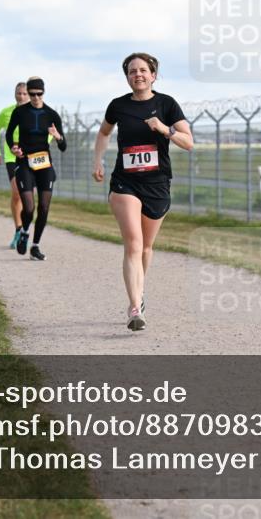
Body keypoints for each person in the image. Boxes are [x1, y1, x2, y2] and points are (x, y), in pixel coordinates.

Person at [92, 53, 193, 331]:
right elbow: (104, 133)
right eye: (132, 71)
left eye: (143, 70)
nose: (137, 74)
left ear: (153, 75)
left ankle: (139, 290)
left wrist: (164, 129)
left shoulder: (166, 104)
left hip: (157, 184)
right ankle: (135, 307)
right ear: (127, 77)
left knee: (146, 247)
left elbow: (188, 142)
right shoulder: (118, 105)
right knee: (134, 244)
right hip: (125, 182)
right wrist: (98, 160)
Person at [5, 77, 65, 261]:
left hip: (44, 164)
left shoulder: (52, 114)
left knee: (44, 207)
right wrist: (13, 148)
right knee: (29, 208)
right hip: (24, 163)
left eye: (39, 94)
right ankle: (24, 232)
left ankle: (35, 246)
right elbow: (9, 134)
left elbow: (63, 146)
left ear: (43, 93)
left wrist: (58, 137)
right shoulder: (20, 112)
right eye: (32, 94)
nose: (36, 97)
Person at [0, 83, 31, 248]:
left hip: (31, 157)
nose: (21, 96)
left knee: (28, 197)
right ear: (15, 94)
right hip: (12, 157)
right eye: (19, 93)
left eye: (24, 94)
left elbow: (48, 131)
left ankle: (26, 230)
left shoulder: (36, 112)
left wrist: (44, 144)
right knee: (17, 194)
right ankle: (18, 229)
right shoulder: (6, 112)